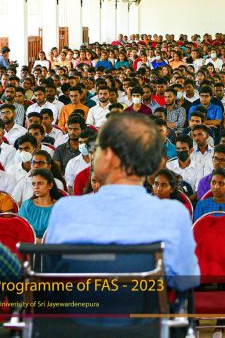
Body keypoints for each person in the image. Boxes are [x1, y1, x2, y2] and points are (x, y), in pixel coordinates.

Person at [45, 113, 199, 292]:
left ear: (102, 160)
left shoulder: (65, 211)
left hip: (83, 306)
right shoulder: (174, 214)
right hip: (146, 307)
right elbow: (186, 279)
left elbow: (52, 275)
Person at [18, 168, 62, 239]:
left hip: (53, 244)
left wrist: (42, 241)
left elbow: (61, 233)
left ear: (50, 185)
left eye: (40, 183)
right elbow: (20, 229)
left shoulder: (59, 207)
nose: (36, 187)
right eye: (33, 184)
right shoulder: (27, 205)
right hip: (29, 243)